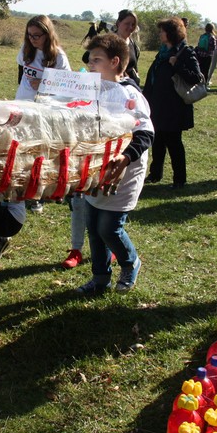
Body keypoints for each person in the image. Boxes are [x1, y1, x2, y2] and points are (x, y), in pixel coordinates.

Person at [75, 32, 153, 294]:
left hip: (124, 171)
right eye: (90, 60)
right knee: (94, 227)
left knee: (109, 228)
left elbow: (145, 132)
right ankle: (100, 278)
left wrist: (126, 156)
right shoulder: (95, 89)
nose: (91, 65)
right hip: (97, 169)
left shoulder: (129, 94)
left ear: (115, 61)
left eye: (97, 60)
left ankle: (131, 262)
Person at [16, 15, 70, 213]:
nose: (32, 39)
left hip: (45, 112)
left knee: (42, 152)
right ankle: (23, 191)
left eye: (37, 35)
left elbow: (67, 86)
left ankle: (40, 194)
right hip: (24, 105)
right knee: (23, 150)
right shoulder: (26, 50)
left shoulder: (59, 57)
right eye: (29, 35)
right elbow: (21, 73)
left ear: (48, 34)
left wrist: (44, 83)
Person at [143, 18, 200, 188]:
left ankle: (179, 179)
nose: (159, 33)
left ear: (171, 33)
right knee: (158, 141)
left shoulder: (185, 52)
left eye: (162, 31)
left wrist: (177, 66)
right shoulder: (162, 53)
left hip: (174, 108)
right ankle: (155, 174)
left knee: (174, 143)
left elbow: (196, 77)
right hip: (158, 106)